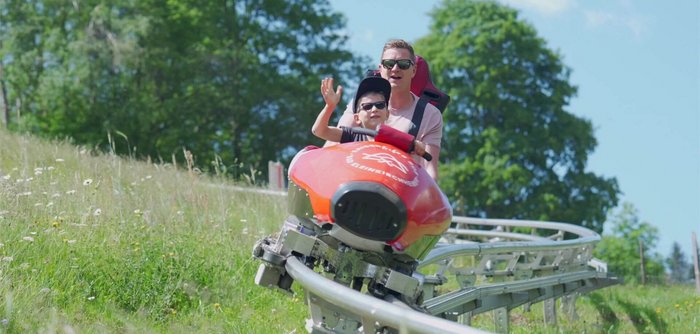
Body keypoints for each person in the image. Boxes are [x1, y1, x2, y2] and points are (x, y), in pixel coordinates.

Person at [327, 39, 443, 180]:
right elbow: (331, 148)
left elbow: (430, 170)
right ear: (380, 69)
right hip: (355, 183)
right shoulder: (361, 104)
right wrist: (329, 108)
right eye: (389, 64)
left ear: (413, 70)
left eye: (403, 64)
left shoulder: (430, 114)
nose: (395, 69)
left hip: (400, 192)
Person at [312, 76, 426, 156]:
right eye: (367, 106)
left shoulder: (397, 140)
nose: (374, 109)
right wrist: (330, 106)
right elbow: (319, 131)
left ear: (387, 113)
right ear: (357, 118)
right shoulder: (352, 135)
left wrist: (417, 146)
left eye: (380, 105)